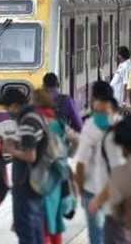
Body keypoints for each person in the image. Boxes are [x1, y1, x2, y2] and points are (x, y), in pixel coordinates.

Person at [74, 81, 125, 244]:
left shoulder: (90, 126)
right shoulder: (121, 123)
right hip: (118, 190)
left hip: (93, 190)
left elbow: (80, 164)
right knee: (116, 236)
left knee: (97, 237)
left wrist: (80, 190)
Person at [0, 88, 47, 244]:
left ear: (14, 105)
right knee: (35, 228)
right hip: (37, 181)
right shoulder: (36, 115)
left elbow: (30, 155)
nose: (8, 112)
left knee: (26, 230)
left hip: (27, 184)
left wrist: (10, 149)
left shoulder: (27, 121)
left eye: (7, 108)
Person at [31, 89, 74, 244]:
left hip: (41, 176)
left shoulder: (36, 121)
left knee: (43, 222)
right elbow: (75, 141)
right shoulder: (59, 121)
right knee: (55, 219)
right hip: (58, 175)